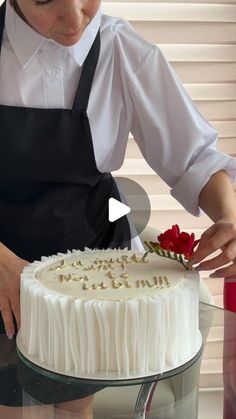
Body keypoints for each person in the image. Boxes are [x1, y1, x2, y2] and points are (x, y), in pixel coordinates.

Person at [0, 0, 236, 415]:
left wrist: (229, 217)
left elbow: (194, 157)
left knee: (74, 401)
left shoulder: (123, 50)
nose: (74, 20)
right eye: (44, 0)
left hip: (88, 263)